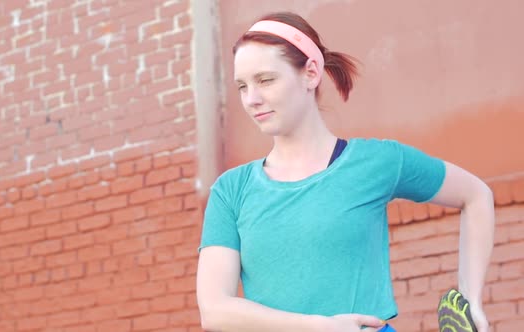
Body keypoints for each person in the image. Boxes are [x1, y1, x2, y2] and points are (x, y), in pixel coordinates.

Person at [196, 11, 495, 332]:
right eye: (242, 86)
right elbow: (214, 311)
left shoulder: (377, 161)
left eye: (265, 80)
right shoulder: (231, 191)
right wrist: (319, 326)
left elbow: (476, 195)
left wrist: (471, 300)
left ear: (311, 74)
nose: (251, 99)